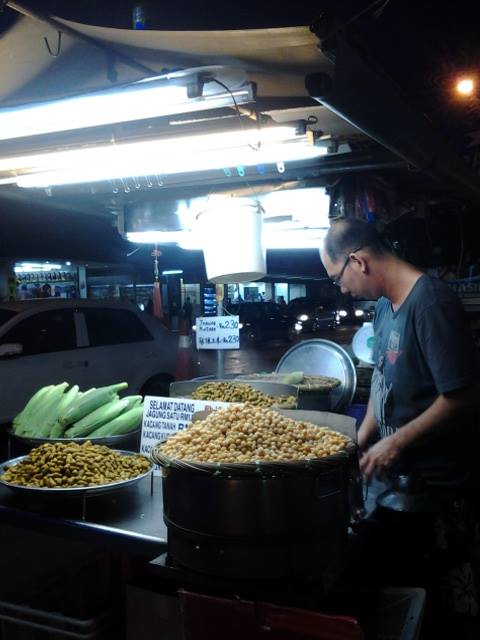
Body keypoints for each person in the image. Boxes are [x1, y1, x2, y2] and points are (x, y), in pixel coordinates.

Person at [321, 218, 480, 636]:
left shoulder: (430, 303)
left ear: (358, 261)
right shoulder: (383, 308)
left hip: (438, 490)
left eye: (337, 278)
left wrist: (396, 444)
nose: (341, 289)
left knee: (439, 608)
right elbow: (382, 381)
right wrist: (361, 439)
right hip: (400, 485)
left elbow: (463, 395)